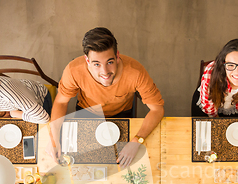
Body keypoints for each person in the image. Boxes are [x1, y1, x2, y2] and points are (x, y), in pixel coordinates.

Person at [47, 27, 165, 168]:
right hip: (87, 113)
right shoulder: (73, 70)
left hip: (121, 115)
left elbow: (157, 109)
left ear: (117, 56)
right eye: (97, 64)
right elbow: (60, 102)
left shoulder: (136, 72)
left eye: (110, 62)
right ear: (87, 60)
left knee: (125, 167)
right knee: (82, 166)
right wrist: (54, 139)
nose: (105, 72)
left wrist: (136, 141)